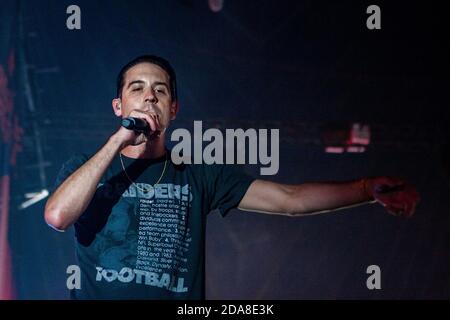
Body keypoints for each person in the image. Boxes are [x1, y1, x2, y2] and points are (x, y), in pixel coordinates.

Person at [44, 55, 420, 300]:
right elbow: (58, 216)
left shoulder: (196, 175)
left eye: (160, 91)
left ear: (173, 109)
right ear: (119, 106)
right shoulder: (87, 167)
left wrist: (365, 189)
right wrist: (118, 141)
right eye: (137, 89)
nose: (149, 98)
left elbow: (290, 199)